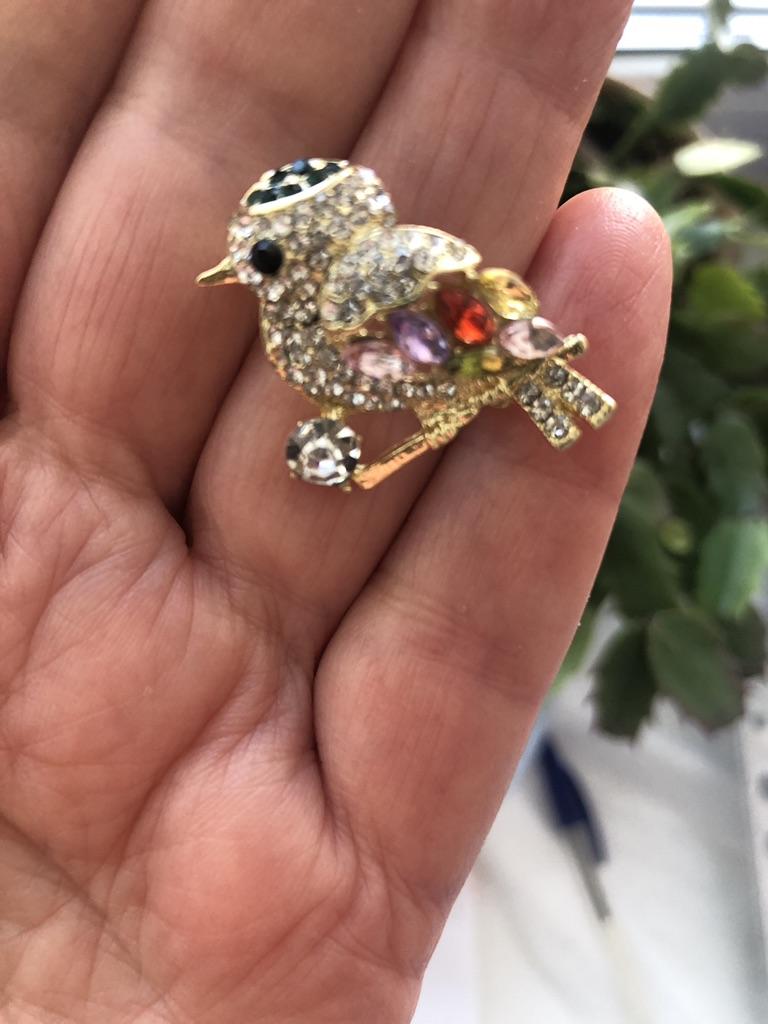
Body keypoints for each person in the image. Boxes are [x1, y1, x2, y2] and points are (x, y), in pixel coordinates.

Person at [0, 0, 671, 1020]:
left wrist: (500, 377)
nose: (244, 279)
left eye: (264, 265)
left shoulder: (357, 299)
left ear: (305, 260)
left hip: (482, 359)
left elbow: (457, 331)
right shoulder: (312, 324)